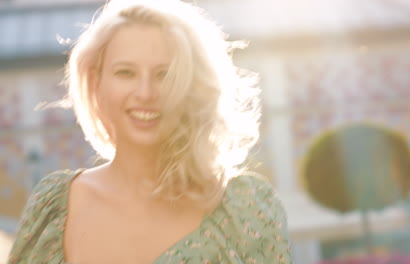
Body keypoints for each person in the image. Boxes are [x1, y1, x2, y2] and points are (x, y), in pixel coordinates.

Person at [8, 0, 291, 263]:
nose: (145, 93)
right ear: (97, 84)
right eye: (125, 73)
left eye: (164, 75)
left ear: (192, 86)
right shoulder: (55, 207)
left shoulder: (245, 207)